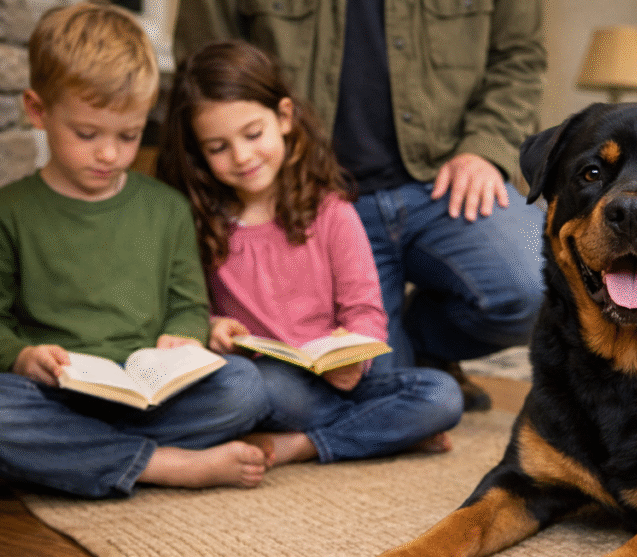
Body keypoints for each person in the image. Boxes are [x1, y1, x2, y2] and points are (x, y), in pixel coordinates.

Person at [173, 0, 547, 411]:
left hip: (445, 178)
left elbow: (520, 57)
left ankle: (421, 339)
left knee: (542, 280)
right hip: (318, 191)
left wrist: (486, 149)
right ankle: (403, 351)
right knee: (368, 392)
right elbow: (204, 63)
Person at [0, 1, 272, 501]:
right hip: (55, 396)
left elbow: (188, 304)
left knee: (247, 387)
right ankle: (162, 465)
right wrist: (21, 357)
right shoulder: (5, 213)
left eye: (129, 135)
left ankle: (43, 463)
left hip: (153, 395)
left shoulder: (165, 208)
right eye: (87, 134)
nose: (109, 154)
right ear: (37, 110)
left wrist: (181, 337)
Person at [156, 40, 463, 467]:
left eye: (252, 134)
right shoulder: (200, 222)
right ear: (198, 152)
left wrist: (355, 354)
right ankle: (382, 433)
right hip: (264, 379)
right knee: (249, 385)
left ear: (283, 117)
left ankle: (303, 444)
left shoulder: (332, 212)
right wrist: (213, 327)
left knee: (440, 395)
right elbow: (186, 308)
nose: (242, 156)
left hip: (336, 381)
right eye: (217, 148)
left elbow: (366, 313)